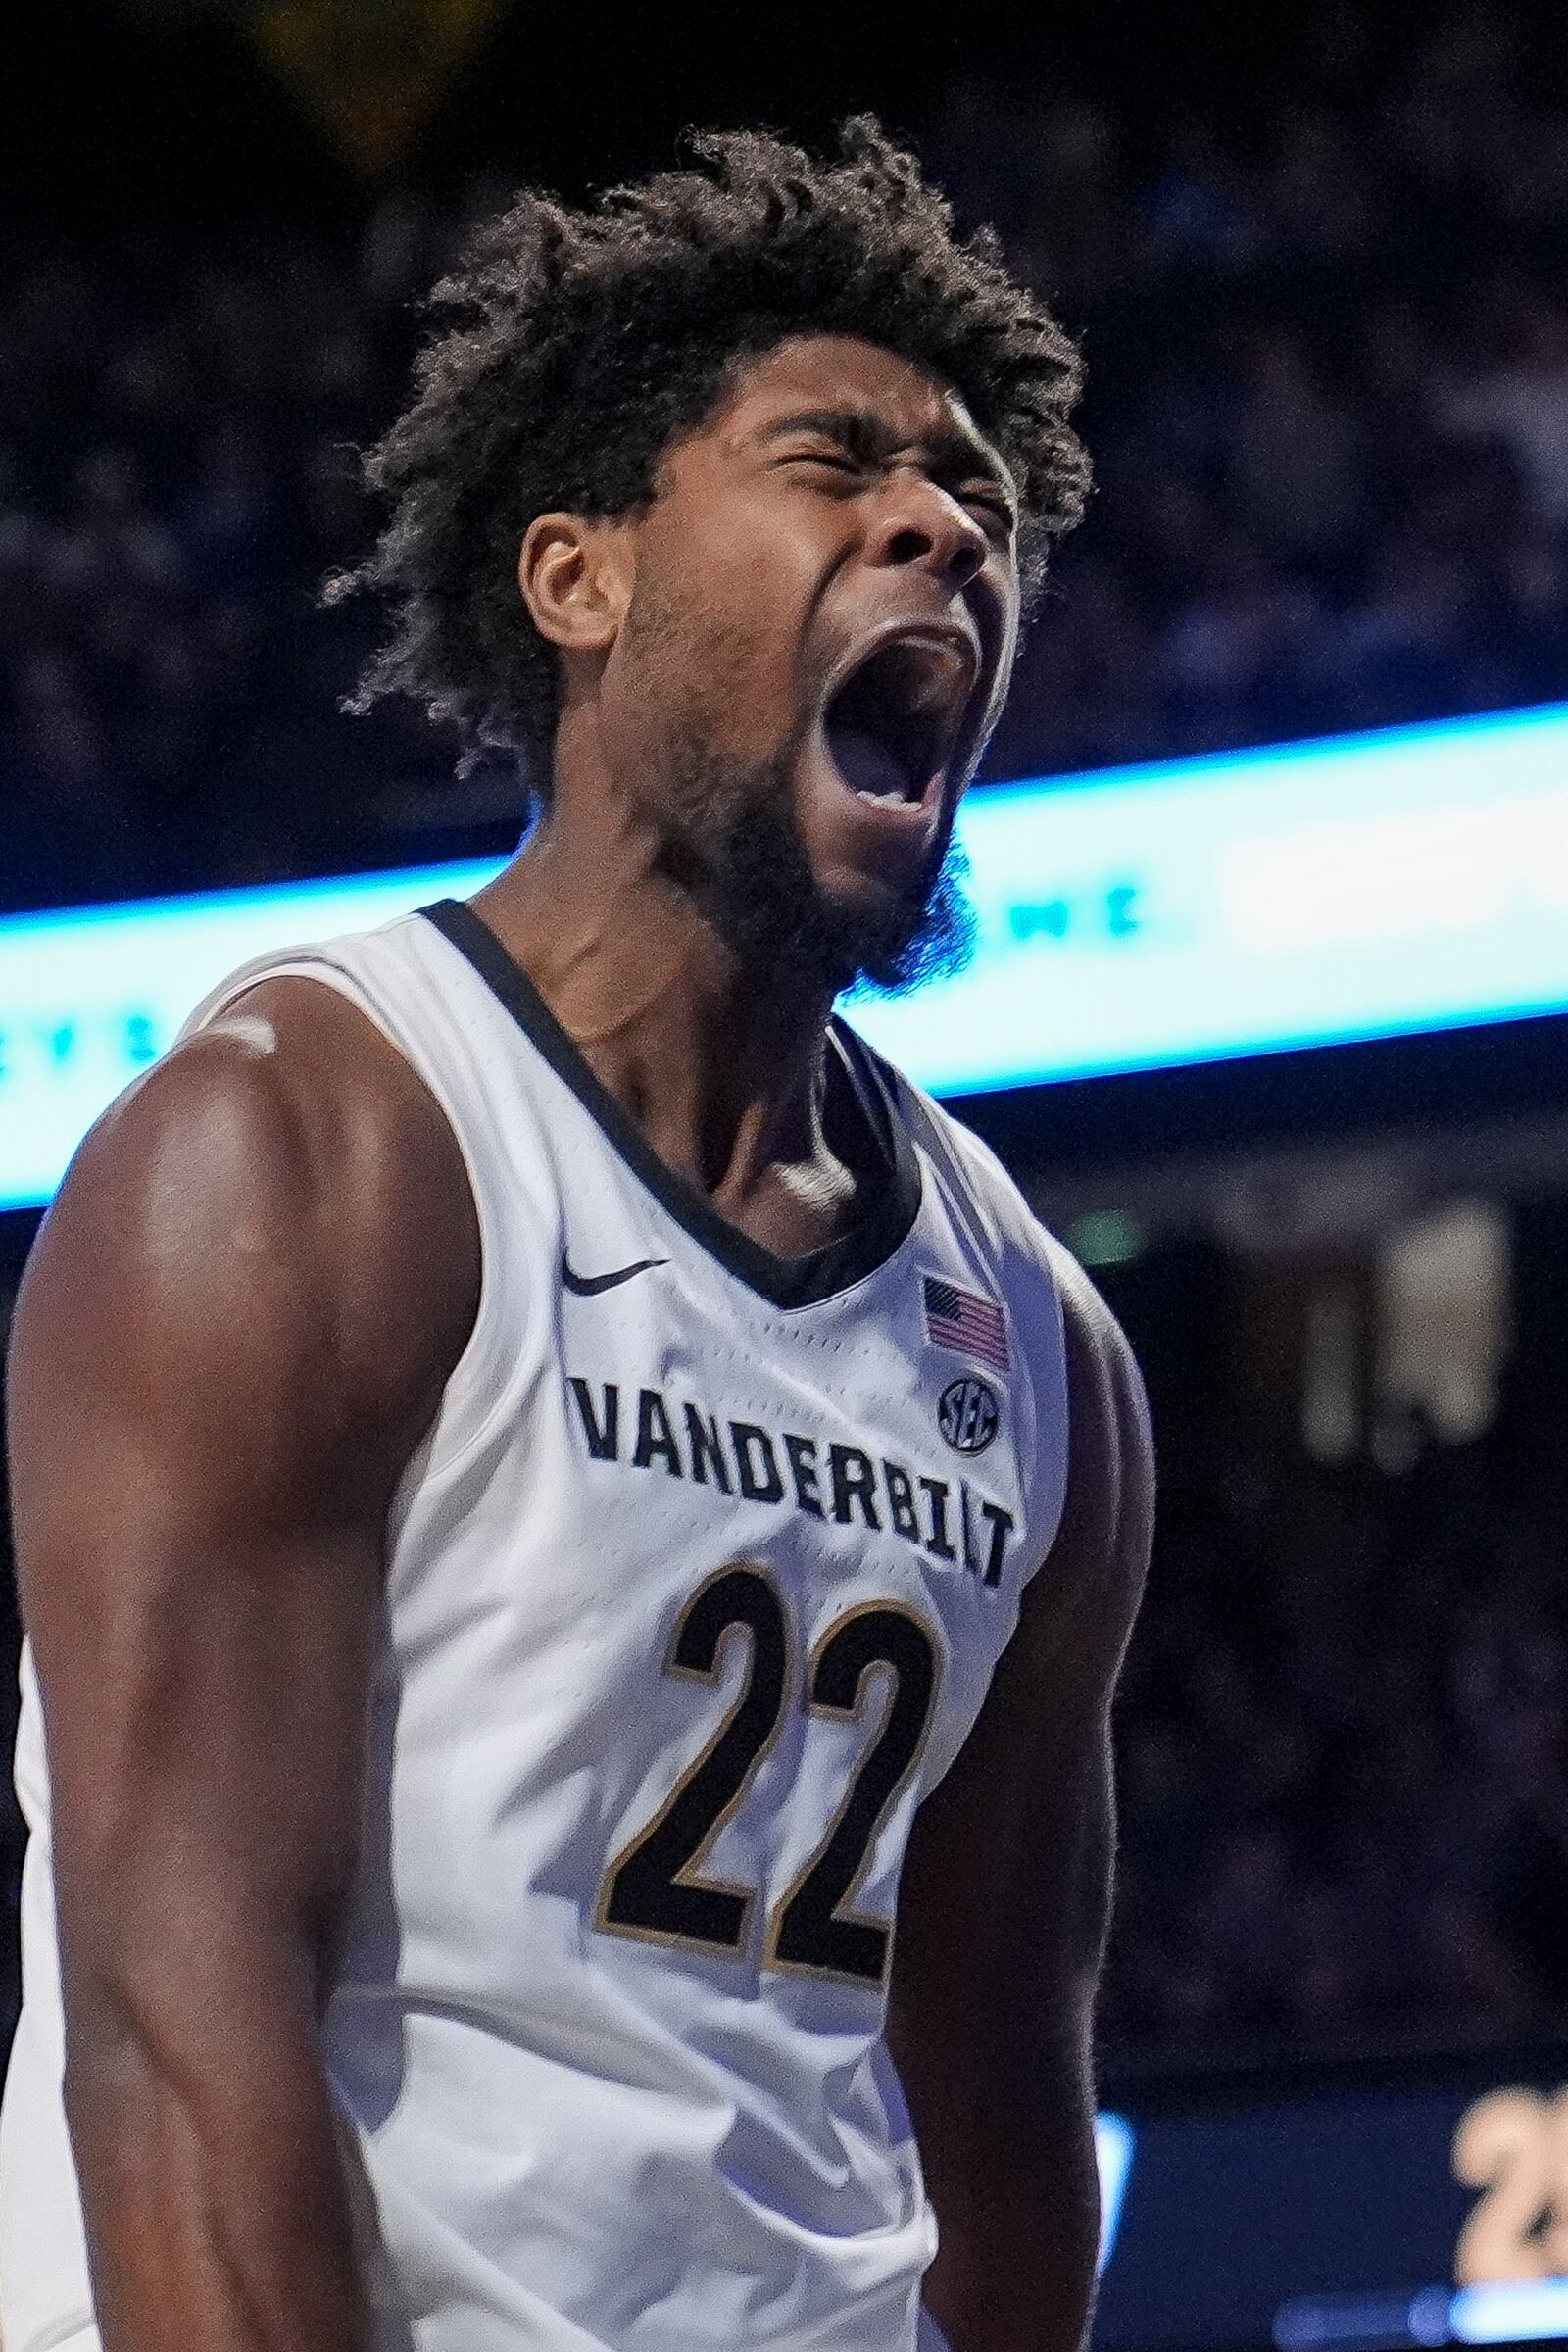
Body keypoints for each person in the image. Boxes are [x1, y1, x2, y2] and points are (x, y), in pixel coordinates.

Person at [0, 120, 1152, 2352]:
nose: (941, 527)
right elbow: (172, 2033)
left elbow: (1000, 2096)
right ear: (575, 578)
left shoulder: (1038, 1346)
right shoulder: (301, 1151)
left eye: (977, 506)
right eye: (832, 464)